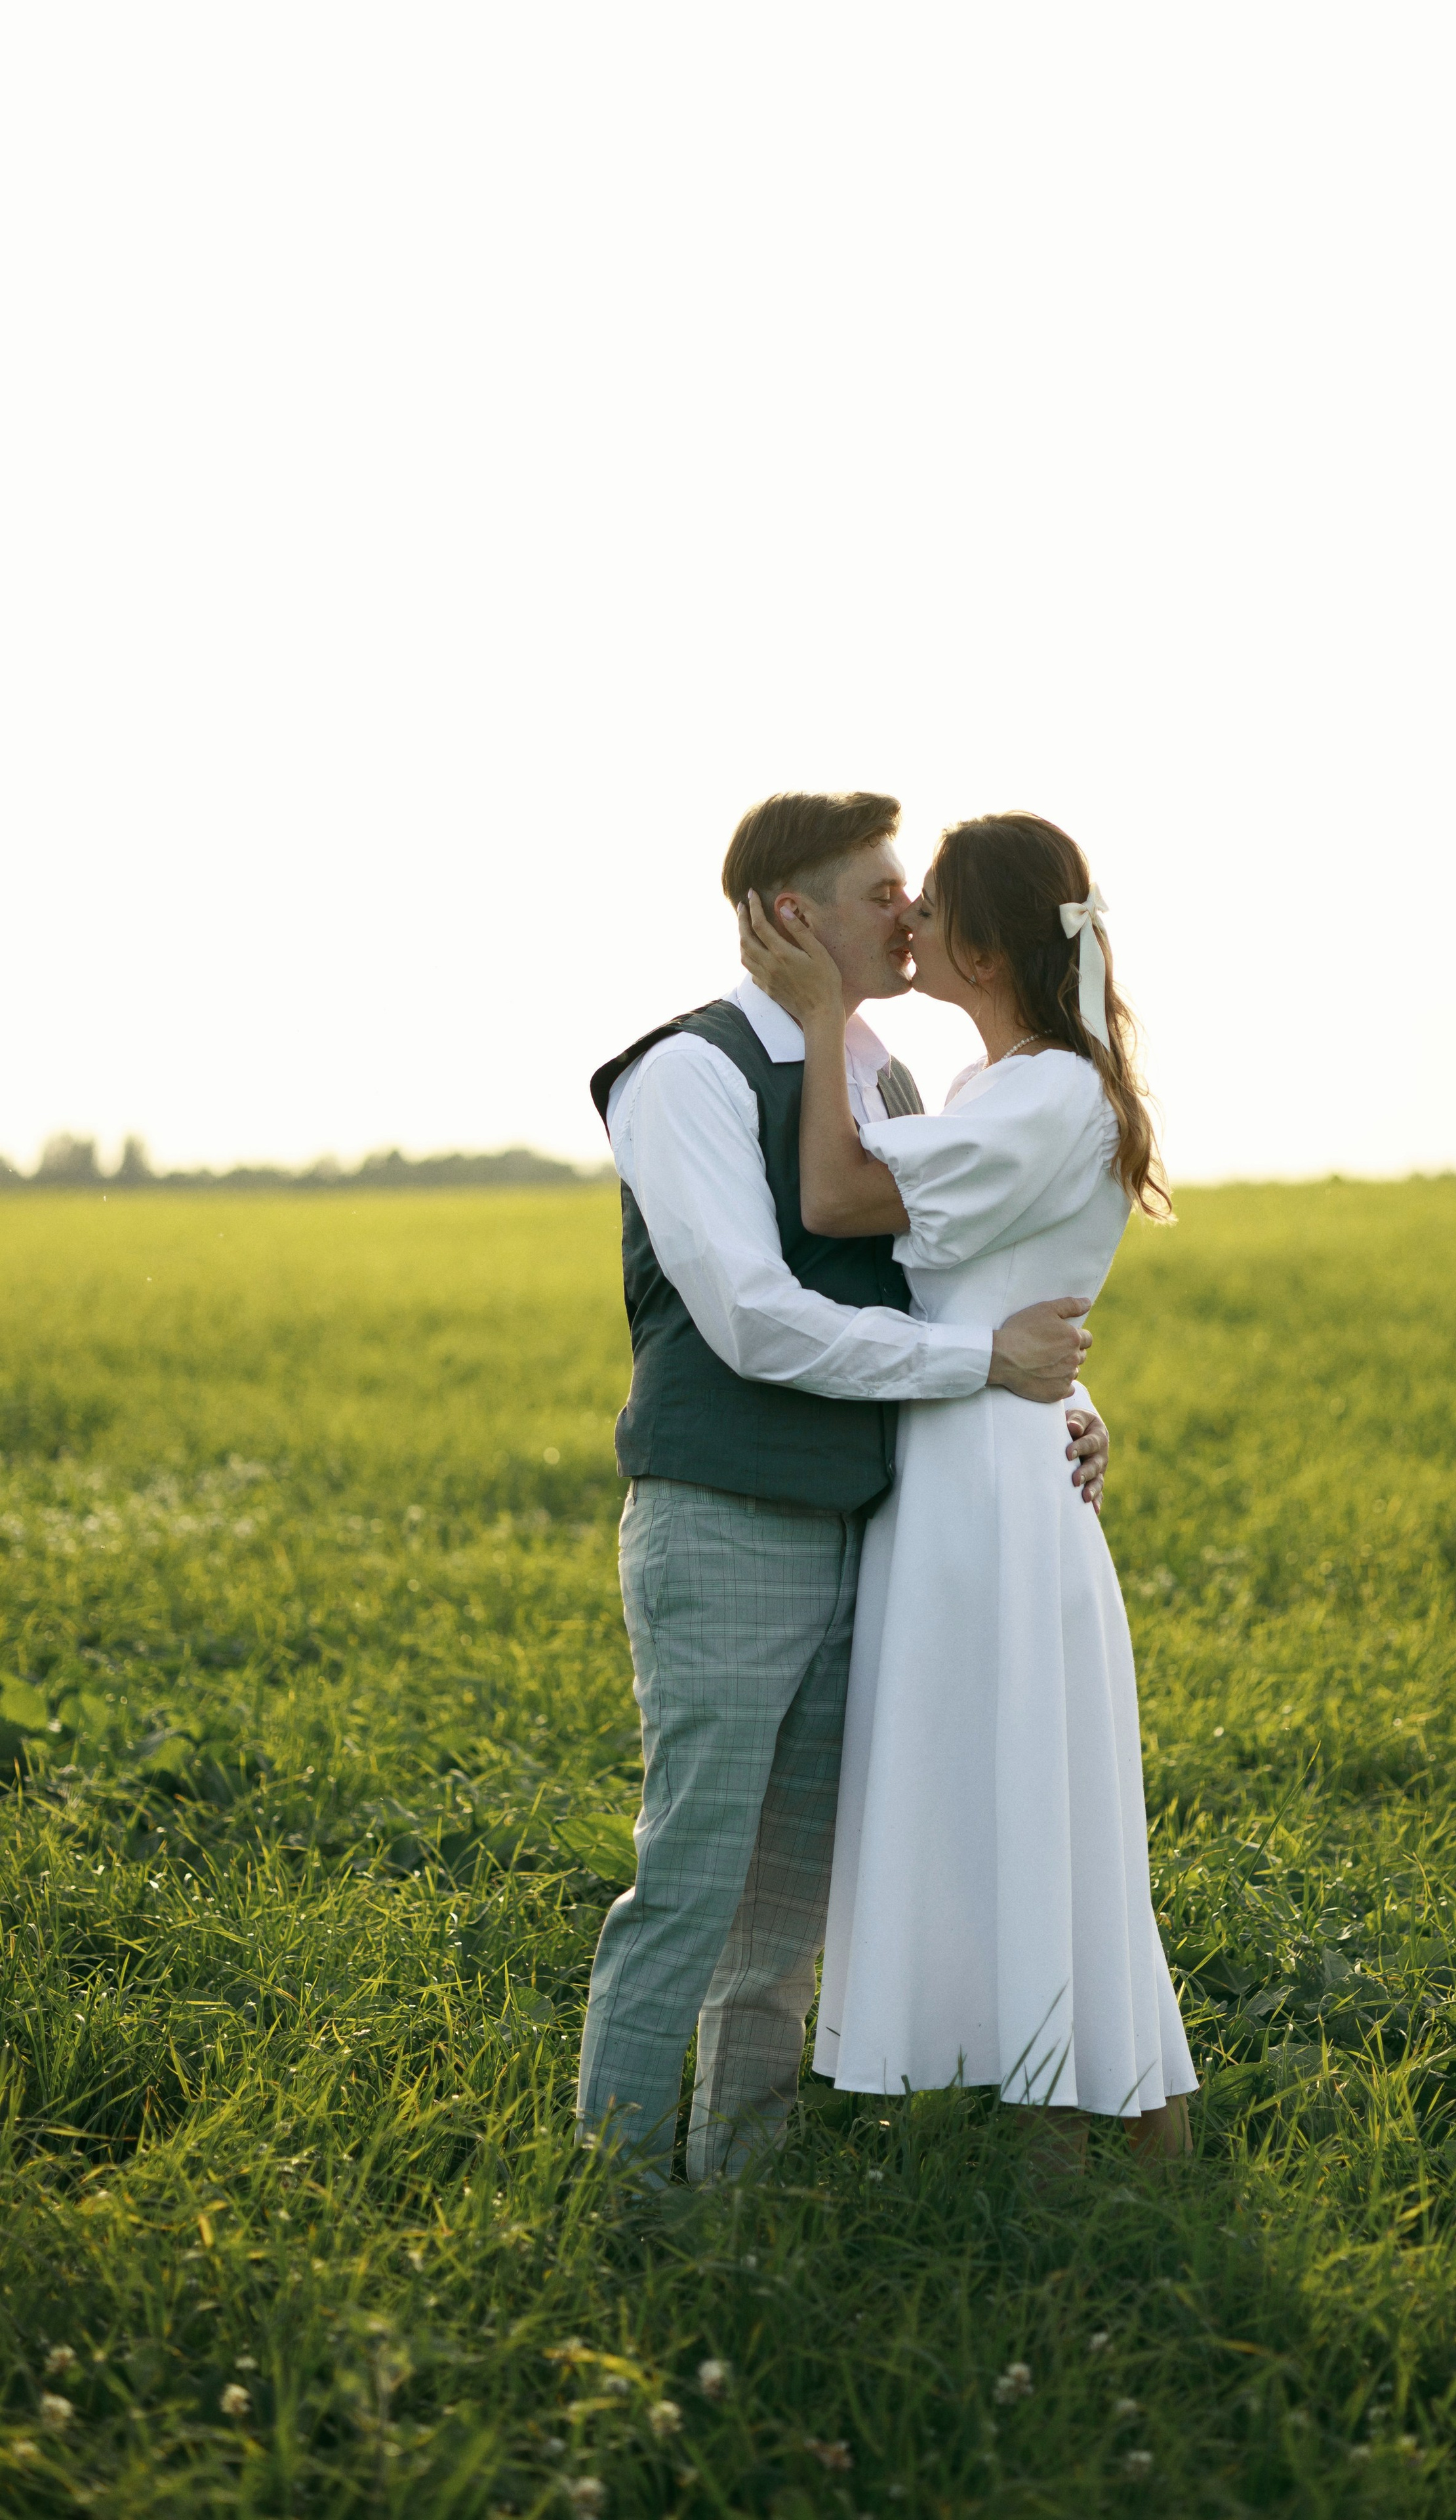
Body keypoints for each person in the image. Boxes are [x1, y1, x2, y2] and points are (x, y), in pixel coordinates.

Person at [578, 791, 1113, 2184]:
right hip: (725, 1518)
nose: (909, 914)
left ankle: (736, 2205)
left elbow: (965, 1284)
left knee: (779, 1927)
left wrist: (1062, 1395)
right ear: (788, 914)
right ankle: (621, 2199)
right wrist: (979, 1364)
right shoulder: (684, 1075)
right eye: (881, 890)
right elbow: (751, 1316)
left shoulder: (879, 1079)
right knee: (692, 1888)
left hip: (868, 1537)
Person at [739, 810, 1195, 2164]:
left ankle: (1063, 2136)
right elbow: (1025, 1298)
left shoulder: (1039, 1089)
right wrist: (1075, 1396)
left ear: (988, 945)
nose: (910, 924)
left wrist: (819, 1018)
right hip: (980, 1458)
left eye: (930, 906)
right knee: (1009, 1789)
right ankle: (1065, 2126)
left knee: (1018, 1789)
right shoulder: (1021, 1089)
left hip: (985, 1484)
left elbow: (831, 1197)